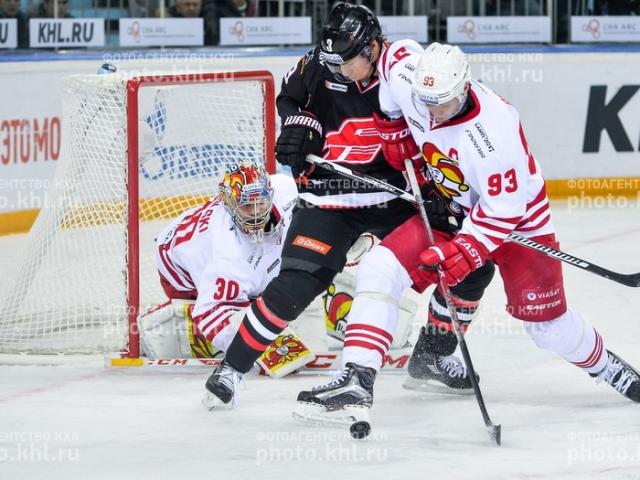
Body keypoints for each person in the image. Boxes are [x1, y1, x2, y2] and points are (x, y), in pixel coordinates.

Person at [202, 4, 491, 415]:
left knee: (472, 264)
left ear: (373, 48)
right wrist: (299, 127)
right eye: (332, 61)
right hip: (329, 195)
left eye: (347, 62)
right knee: (297, 284)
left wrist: (442, 190)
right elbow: (290, 99)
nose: (338, 70)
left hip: (396, 196)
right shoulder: (319, 64)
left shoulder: (404, 73)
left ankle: (432, 354)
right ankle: (231, 370)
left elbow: (445, 129)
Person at [361, 41, 640, 407]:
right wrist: (393, 126)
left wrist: (465, 251)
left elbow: (504, 210)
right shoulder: (410, 77)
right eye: (425, 102)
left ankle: (608, 368)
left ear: (464, 88)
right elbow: (388, 68)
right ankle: (429, 355)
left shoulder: (493, 133)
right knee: (413, 271)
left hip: (518, 221)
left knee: (548, 326)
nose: (432, 114)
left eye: (442, 103)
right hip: (455, 203)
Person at [141, 161, 316, 379]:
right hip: (178, 267)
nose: (255, 213)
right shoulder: (224, 253)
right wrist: (255, 349)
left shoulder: (285, 188)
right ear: (230, 204)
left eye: (260, 203)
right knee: (231, 300)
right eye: (246, 206)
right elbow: (212, 313)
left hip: (200, 241)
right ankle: (163, 325)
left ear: (269, 194)